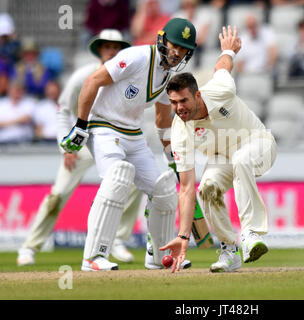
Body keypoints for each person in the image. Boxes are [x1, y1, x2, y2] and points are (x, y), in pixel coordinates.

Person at [60, 18, 197, 271]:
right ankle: (93, 257)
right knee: (117, 178)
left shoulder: (168, 75)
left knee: (164, 190)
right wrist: (80, 125)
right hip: (102, 125)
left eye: (182, 48)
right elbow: (92, 81)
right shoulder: (136, 57)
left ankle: (159, 256)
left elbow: (162, 119)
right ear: (162, 39)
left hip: (133, 133)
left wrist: (170, 154)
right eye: (174, 45)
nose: (177, 52)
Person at [17, 29, 143, 266]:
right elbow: (63, 110)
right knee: (58, 195)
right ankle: (29, 247)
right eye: (108, 47)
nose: (112, 52)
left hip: (114, 141)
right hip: (82, 143)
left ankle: (116, 239)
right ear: (100, 50)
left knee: (136, 179)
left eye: (117, 48)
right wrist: (66, 147)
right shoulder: (83, 76)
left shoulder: (128, 76)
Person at [160, 26, 277, 273]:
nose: (179, 108)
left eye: (184, 101)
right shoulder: (179, 129)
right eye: (173, 103)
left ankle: (250, 233)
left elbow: (221, 68)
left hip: (259, 143)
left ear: (198, 96)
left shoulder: (220, 91)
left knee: (242, 158)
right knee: (208, 189)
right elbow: (187, 188)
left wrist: (228, 50)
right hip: (222, 157)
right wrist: (183, 236)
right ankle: (229, 249)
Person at [0, 80, 35, 144]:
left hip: (24, 142)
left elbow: (25, 119)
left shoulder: (29, 103)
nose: (16, 93)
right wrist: (16, 121)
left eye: (19, 90)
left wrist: (1, 124)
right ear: (9, 90)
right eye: (14, 90)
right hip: (2, 142)